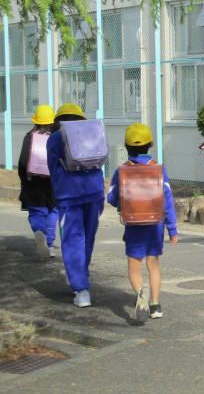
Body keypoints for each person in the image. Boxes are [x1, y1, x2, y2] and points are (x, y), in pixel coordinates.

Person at [107, 123, 177, 321]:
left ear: (126, 147)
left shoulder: (121, 171)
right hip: (155, 225)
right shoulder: (159, 170)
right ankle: (155, 305)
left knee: (134, 266)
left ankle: (140, 293)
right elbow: (168, 201)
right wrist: (172, 229)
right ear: (150, 145)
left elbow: (111, 197)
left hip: (133, 225)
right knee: (153, 264)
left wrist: (123, 203)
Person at [46, 103, 105, 308]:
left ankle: (81, 289)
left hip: (69, 195)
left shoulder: (55, 138)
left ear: (58, 120)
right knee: (87, 238)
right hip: (95, 192)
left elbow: (52, 168)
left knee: (72, 240)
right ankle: (81, 276)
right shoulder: (92, 133)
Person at [18, 104, 58, 258]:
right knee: (52, 211)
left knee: (36, 212)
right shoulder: (56, 138)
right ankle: (49, 244)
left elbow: (22, 162)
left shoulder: (29, 138)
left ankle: (39, 231)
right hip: (52, 183)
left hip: (33, 183)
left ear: (36, 121)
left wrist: (24, 180)